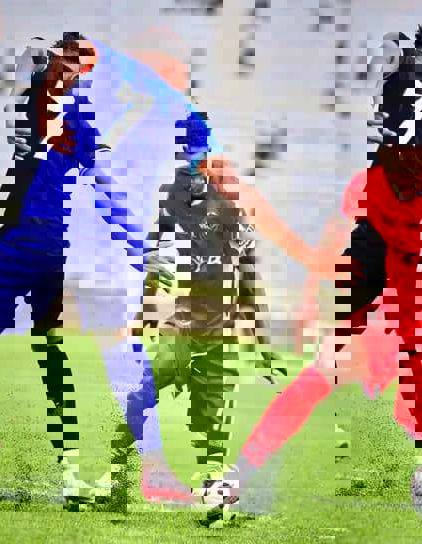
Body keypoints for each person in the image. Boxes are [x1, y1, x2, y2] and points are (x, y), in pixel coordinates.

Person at [197, 19, 422, 521]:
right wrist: (315, 305)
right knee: (325, 375)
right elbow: (343, 244)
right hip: (401, 313)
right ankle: (240, 477)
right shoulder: (380, 181)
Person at [0, 31, 146, 508]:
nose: (70, 67)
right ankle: (72, 469)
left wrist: (132, 240)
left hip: (54, 243)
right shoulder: (36, 93)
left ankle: (75, 469)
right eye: (67, 57)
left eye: (81, 63)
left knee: (52, 349)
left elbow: (104, 177)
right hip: (22, 235)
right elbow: (29, 65)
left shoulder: (80, 117)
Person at [108, 110, 287, 509]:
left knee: (211, 420)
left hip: (217, 335)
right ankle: (115, 468)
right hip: (181, 329)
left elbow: (249, 283)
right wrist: (141, 317)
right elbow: (156, 260)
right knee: (145, 396)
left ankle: (212, 482)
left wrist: (262, 345)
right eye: (192, 159)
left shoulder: (231, 212)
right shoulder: (179, 198)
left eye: (201, 159)